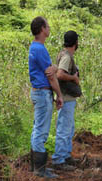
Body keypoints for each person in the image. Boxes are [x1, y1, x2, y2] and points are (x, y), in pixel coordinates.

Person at [29, 16, 63, 178]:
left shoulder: (34, 47)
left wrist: (54, 67)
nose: (49, 29)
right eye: (48, 26)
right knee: (41, 131)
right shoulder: (40, 49)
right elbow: (50, 75)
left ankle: (35, 167)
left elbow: (51, 70)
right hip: (42, 93)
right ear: (42, 29)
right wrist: (59, 95)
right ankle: (39, 169)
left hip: (39, 92)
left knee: (38, 128)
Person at [52, 30, 81, 171]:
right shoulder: (67, 57)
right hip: (66, 98)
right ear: (75, 43)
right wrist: (74, 78)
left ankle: (66, 155)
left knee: (69, 128)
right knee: (64, 129)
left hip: (68, 98)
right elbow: (60, 74)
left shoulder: (64, 55)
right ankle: (59, 160)